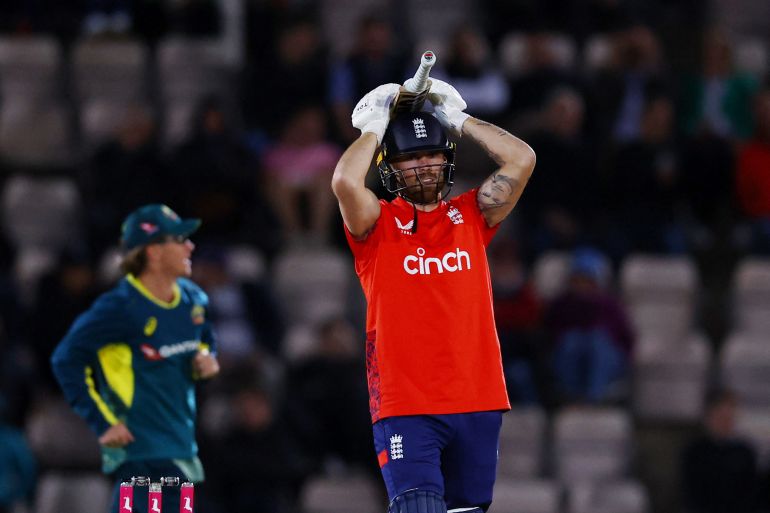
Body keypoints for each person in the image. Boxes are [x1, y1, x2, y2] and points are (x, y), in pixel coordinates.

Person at [331, 77, 536, 512]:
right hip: (407, 404)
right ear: (391, 165)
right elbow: (346, 184)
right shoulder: (377, 223)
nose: (424, 165)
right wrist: (374, 125)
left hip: (478, 398)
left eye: (432, 154)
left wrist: (458, 119)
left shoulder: (471, 215)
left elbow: (522, 158)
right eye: (411, 157)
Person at [50, 204, 220, 513]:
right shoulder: (119, 308)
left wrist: (209, 357)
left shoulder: (192, 299)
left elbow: (205, 336)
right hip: (141, 454)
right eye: (179, 240)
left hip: (182, 448)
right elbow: (65, 359)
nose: (190, 246)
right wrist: (102, 422)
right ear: (153, 252)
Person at [681, 388, 761, 513]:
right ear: (708, 417)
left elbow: (753, 493)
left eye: (729, 416)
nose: (725, 422)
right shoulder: (695, 452)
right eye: (720, 416)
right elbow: (691, 494)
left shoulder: (745, 452)